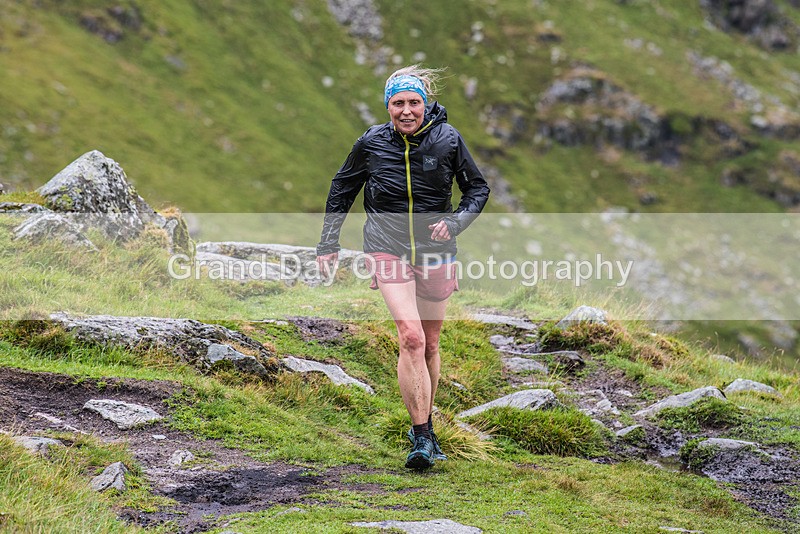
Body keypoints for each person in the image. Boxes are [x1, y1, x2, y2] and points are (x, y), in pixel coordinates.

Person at [316, 65, 490, 469]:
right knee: (410, 336)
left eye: (414, 102)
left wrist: (457, 221)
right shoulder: (371, 143)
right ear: (388, 106)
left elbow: (477, 188)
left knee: (430, 343)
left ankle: (427, 427)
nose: (407, 111)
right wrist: (327, 243)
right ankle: (422, 435)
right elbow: (343, 186)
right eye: (398, 103)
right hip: (386, 249)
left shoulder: (448, 140)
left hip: (436, 252)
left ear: (426, 104)